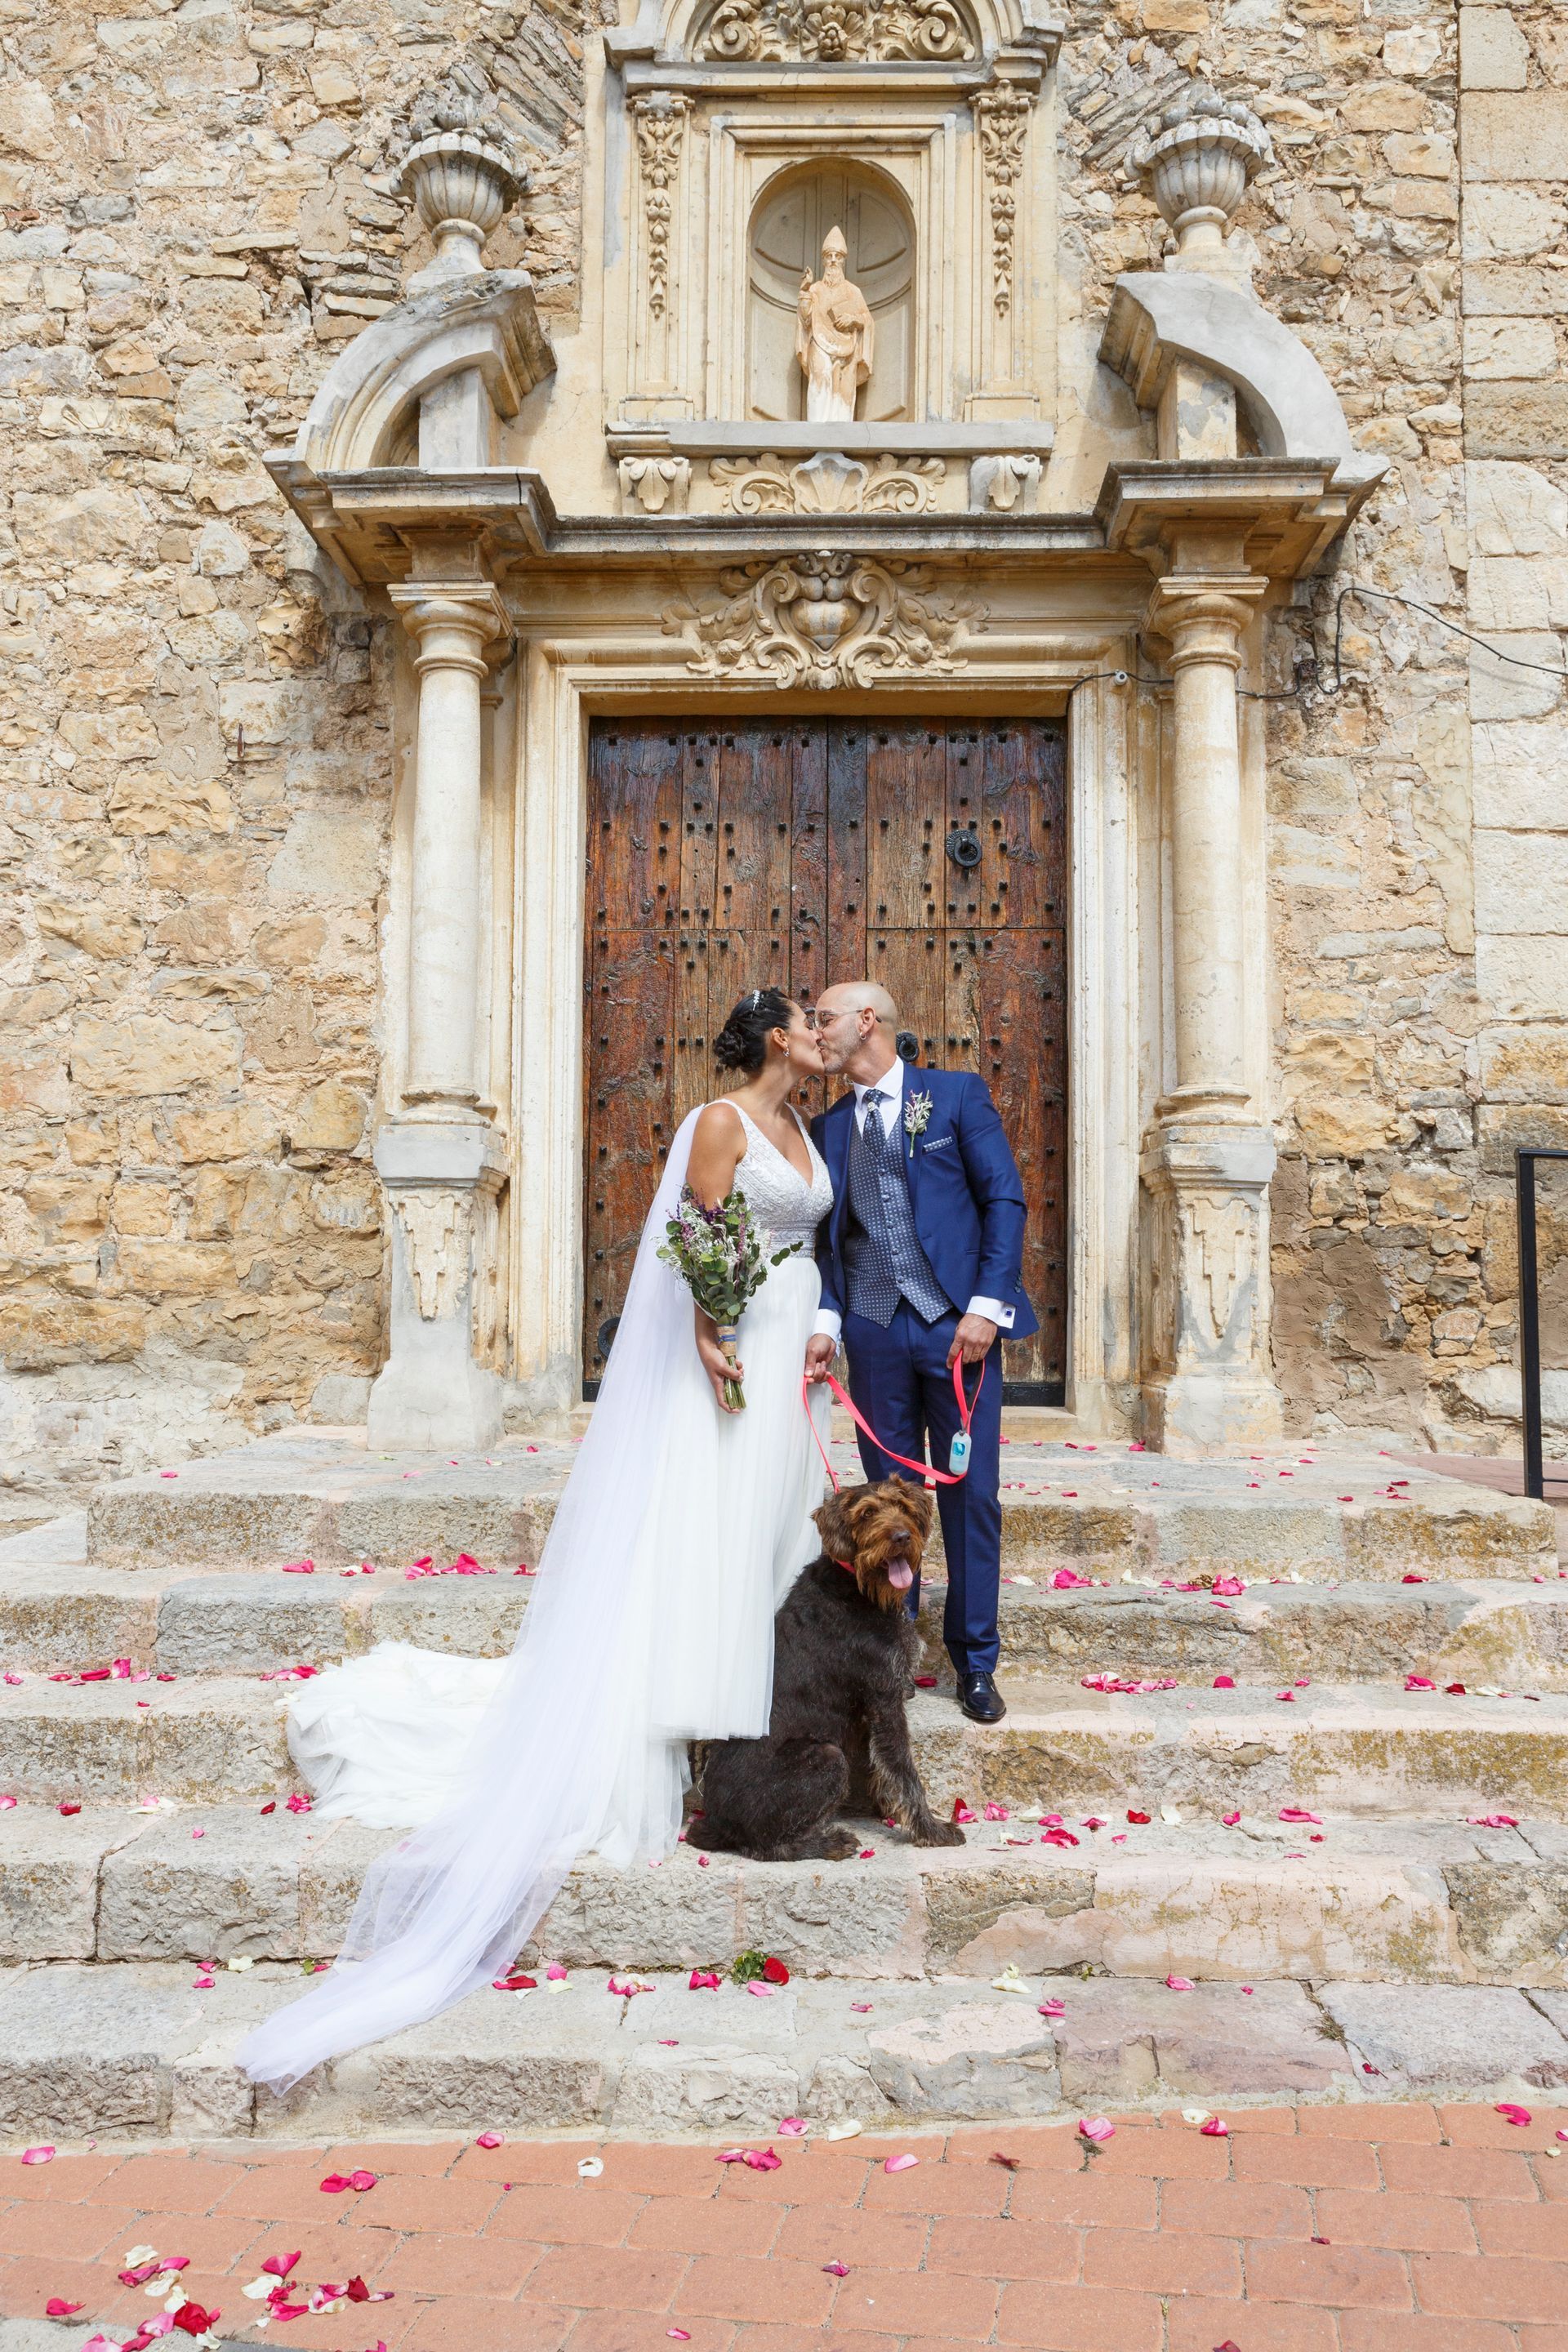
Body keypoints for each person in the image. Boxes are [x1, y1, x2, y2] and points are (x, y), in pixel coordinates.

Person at [235, 987, 833, 2092]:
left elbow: (795, 1240)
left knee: (767, 1538)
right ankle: (680, 1713)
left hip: (794, 1336)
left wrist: (820, 1332)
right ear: (770, 1039)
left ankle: (740, 1711)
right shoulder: (722, 1122)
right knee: (707, 1526)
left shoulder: (804, 1128)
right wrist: (711, 1333)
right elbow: (700, 1235)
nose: (819, 1032)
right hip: (736, 1346)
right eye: (805, 1020)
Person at [805, 981, 1036, 1726]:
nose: (816, 1032)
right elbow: (830, 1244)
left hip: (956, 1330)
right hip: (873, 1335)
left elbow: (1004, 1199)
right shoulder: (829, 1127)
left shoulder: (955, 1097)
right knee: (885, 1508)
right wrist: (829, 1326)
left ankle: (974, 1663)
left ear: (867, 1022)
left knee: (971, 1496)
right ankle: (894, 1656)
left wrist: (985, 1309)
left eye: (825, 1019)